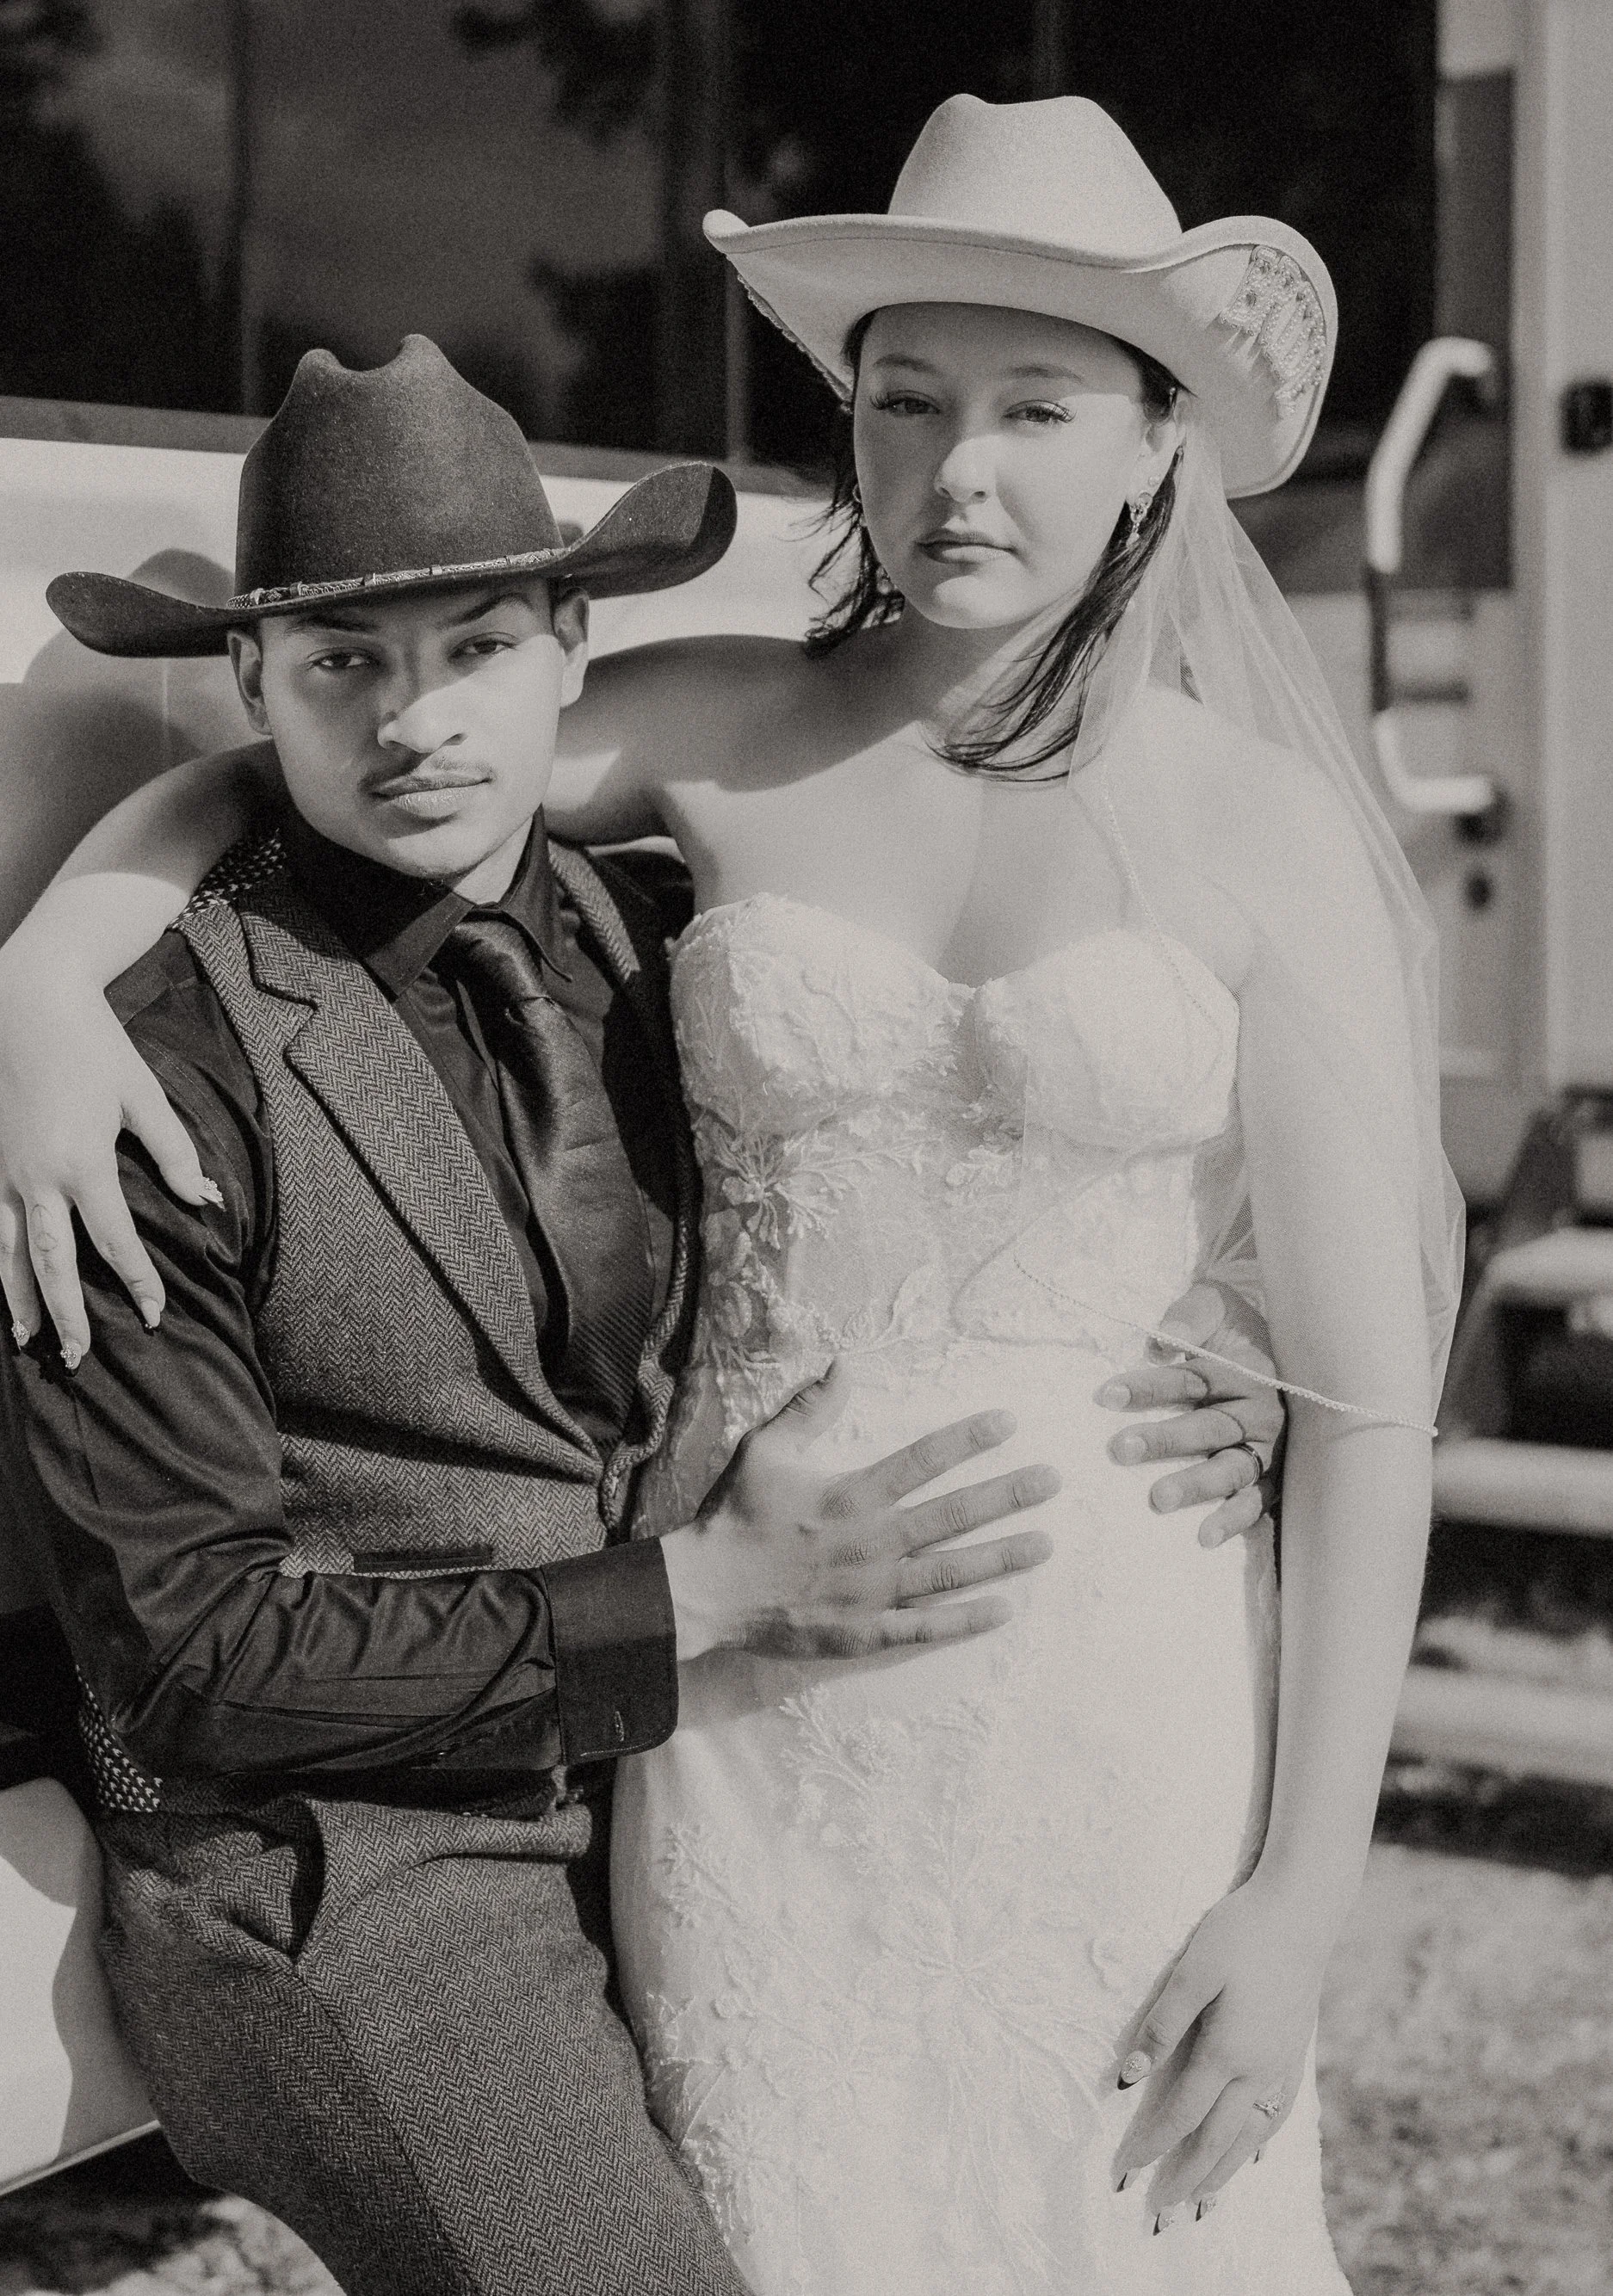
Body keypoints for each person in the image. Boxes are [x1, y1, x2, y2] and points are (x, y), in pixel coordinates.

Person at [0, 92, 1431, 2290]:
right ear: (842, 425)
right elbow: (307, 762)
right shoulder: (721, 729)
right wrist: (39, 990)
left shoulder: (1264, 831)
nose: (961, 473)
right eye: (905, 403)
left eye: (1037, 410)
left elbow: (1366, 1406)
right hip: (742, 1713)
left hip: (1113, 1685)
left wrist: (1303, 1893)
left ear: (1159, 442)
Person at [0, 334, 1078, 2296]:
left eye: (472, 648)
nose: (414, 722)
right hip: (350, 1868)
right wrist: (694, 1606)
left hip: (697, 1789)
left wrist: (1220, 1372)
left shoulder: (677, 936)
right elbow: (188, 1654)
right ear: (249, 686)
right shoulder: (135, 1072)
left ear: (574, 645)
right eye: (342, 663)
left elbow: (1028, 1159)